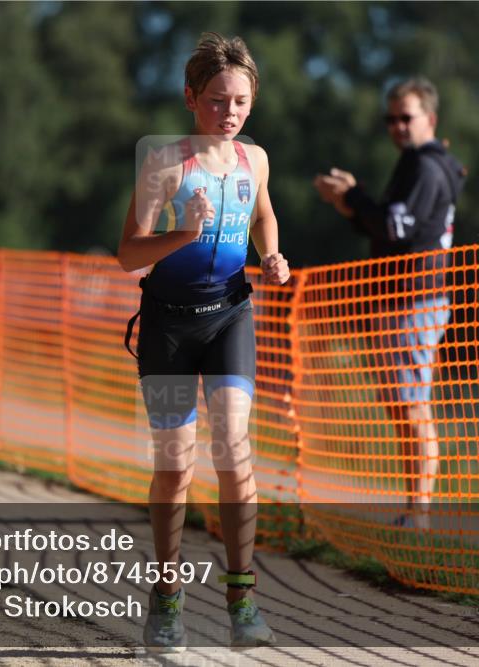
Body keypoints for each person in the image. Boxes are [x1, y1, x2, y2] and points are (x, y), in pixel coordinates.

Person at [117, 32, 289, 652]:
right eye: (217, 100)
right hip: (168, 324)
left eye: (240, 101)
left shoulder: (254, 160)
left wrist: (270, 255)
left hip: (229, 316)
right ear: (191, 99)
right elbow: (127, 254)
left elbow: (263, 212)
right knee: (175, 465)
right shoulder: (165, 165)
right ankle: (167, 601)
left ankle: (243, 600)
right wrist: (182, 235)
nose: (229, 112)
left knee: (235, 451)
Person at [313, 77, 466, 530]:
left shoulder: (425, 166)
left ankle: (420, 511)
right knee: (402, 404)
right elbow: (390, 228)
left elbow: (396, 226)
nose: (397, 126)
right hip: (400, 300)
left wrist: (354, 196)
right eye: (391, 118)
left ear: (430, 119)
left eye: (406, 117)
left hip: (414, 300)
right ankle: (414, 507)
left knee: (413, 406)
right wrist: (350, 205)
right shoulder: (415, 163)